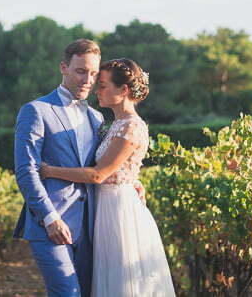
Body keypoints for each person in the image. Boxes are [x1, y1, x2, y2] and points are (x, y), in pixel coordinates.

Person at [13, 39, 145, 297]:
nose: (88, 79)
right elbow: (26, 170)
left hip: (93, 226)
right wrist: (49, 218)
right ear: (64, 67)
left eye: (94, 73)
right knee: (67, 293)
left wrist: (131, 180)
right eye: (81, 70)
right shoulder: (36, 111)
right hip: (50, 223)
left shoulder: (97, 117)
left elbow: (105, 165)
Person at [39, 58, 176, 297]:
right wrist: (133, 179)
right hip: (105, 207)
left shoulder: (131, 126)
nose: (96, 89)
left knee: (121, 280)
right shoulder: (114, 123)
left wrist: (50, 171)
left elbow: (98, 174)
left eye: (102, 85)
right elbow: (119, 167)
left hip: (119, 212)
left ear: (123, 90)